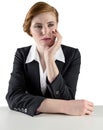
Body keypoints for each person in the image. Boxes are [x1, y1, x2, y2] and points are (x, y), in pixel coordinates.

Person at [6, 1, 94, 116]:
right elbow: (13, 98)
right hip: (30, 123)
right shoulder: (22, 54)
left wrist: (49, 59)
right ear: (30, 30)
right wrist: (65, 106)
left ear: (57, 26)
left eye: (50, 25)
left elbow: (66, 97)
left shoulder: (72, 54)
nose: (45, 32)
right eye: (38, 26)